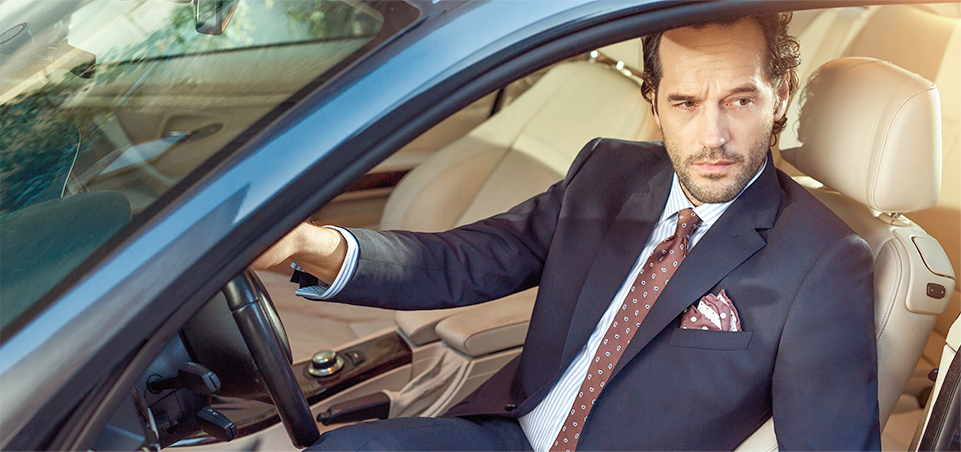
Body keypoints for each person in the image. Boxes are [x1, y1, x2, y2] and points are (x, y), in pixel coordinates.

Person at [253, 12, 881, 451]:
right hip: (507, 437)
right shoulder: (606, 172)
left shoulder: (823, 260)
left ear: (781, 96)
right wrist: (309, 245)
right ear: (654, 101)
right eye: (686, 103)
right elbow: (461, 261)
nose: (712, 136)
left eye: (740, 100)